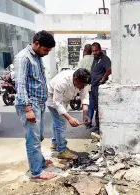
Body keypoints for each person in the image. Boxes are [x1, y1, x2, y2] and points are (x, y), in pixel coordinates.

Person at [14, 30, 56, 180]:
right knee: (33, 140)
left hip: (38, 104)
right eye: (45, 50)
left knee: (39, 137)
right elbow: (20, 84)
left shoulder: (37, 57)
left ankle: (40, 161)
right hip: (30, 105)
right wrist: (27, 108)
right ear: (36, 43)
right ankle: (37, 172)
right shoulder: (23, 58)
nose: (46, 53)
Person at [47, 68, 90, 159]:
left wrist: (85, 114)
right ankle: (61, 150)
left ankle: (55, 143)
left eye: (84, 85)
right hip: (52, 99)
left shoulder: (83, 81)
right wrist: (70, 118)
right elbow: (57, 103)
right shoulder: (62, 81)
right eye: (81, 85)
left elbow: (85, 97)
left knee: (57, 123)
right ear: (75, 79)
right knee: (61, 123)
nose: (82, 88)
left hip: (65, 99)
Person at [90, 42, 112, 140]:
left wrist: (103, 78)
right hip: (93, 86)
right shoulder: (95, 59)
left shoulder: (104, 59)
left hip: (99, 86)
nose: (94, 52)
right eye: (93, 51)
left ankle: (100, 128)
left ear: (100, 50)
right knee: (95, 107)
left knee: (100, 108)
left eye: (96, 50)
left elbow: (110, 69)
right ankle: (97, 125)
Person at [77, 44, 94, 128]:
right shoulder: (94, 59)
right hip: (93, 85)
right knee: (92, 105)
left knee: (87, 104)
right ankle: (91, 122)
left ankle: (87, 123)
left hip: (84, 85)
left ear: (84, 51)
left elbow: (78, 73)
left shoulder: (82, 61)